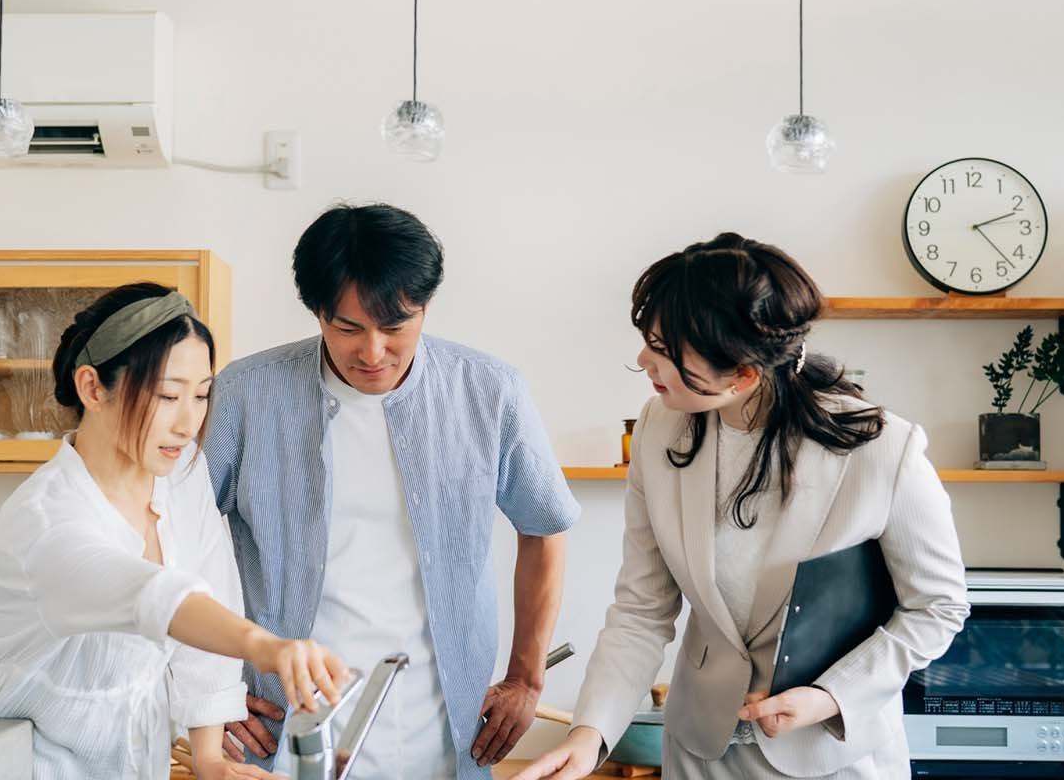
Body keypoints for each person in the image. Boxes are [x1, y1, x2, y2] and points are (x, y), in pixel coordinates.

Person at [516, 233, 969, 780]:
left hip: (832, 754)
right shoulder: (658, 429)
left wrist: (830, 695)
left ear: (744, 374)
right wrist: (590, 734)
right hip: (700, 752)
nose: (643, 360)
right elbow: (641, 610)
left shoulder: (882, 448)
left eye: (664, 348)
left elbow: (937, 607)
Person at [205, 203, 580, 779]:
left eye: (396, 326)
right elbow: (173, 541)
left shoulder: (489, 391)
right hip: (286, 731)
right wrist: (207, 696)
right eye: (348, 328)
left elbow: (545, 526)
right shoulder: (247, 393)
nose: (373, 352)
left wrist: (526, 678)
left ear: (425, 307)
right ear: (317, 312)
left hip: (442, 729)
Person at [0, 283, 346, 780]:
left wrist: (209, 758)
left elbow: (212, 596)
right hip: (19, 765)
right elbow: (153, 597)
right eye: (167, 395)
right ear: (93, 388)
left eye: (201, 395)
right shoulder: (45, 519)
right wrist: (267, 647)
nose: (188, 422)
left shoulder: (182, 476)